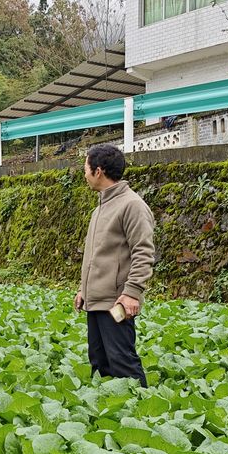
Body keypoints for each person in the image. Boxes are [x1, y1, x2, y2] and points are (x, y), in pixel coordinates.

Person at [74, 144, 155, 387]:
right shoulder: (101, 207)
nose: (84, 174)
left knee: (122, 361)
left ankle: (141, 415)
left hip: (117, 300)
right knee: (99, 361)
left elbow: (143, 252)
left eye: (85, 168)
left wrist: (132, 293)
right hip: (96, 300)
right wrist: (83, 289)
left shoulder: (132, 205)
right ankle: (109, 415)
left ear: (98, 171)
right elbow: (97, 254)